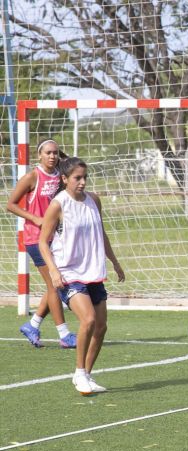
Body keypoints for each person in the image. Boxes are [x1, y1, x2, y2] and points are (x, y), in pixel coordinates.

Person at [39, 157, 126, 395]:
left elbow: (102, 233)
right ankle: (78, 373)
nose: (82, 182)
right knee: (87, 320)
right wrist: (54, 271)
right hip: (69, 272)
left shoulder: (94, 201)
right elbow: (42, 243)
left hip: (93, 271)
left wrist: (115, 263)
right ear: (65, 179)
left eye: (85, 177)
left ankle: (87, 374)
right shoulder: (58, 204)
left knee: (101, 326)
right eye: (77, 178)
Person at [6, 139, 77, 348]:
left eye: (55, 152)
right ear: (40, 155)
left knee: (56, 283)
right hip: (35, 239)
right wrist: (35, 218)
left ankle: (33, 324)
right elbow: (10, 205)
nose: (52, 156)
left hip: (55, 238)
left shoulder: (60, 177)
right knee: (55, 284)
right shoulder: (32, 177)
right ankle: (64, 334)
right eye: (48, 153)